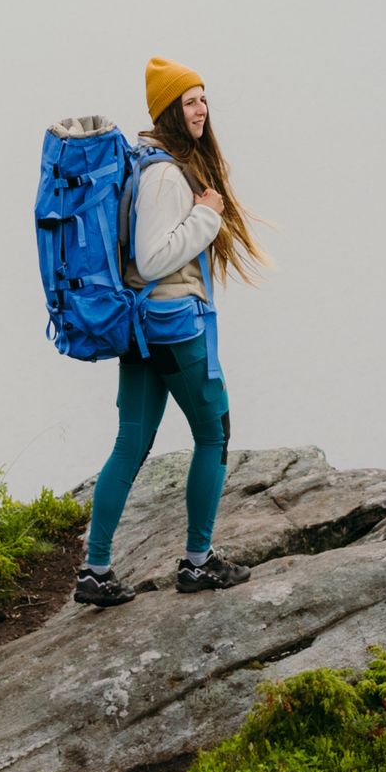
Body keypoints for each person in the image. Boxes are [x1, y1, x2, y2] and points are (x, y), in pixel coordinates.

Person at [74, 56, 268, 607]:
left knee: (130, 443)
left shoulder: (147, 163)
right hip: (172, 326)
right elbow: (153, 257)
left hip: (140, 329)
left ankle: (96, 569)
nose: (201, 108)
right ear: (168, 111)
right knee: (214, 434)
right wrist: (207, 214)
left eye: (204, 97)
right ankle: (198, 562)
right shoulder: (163, 173)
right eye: (189, 100)